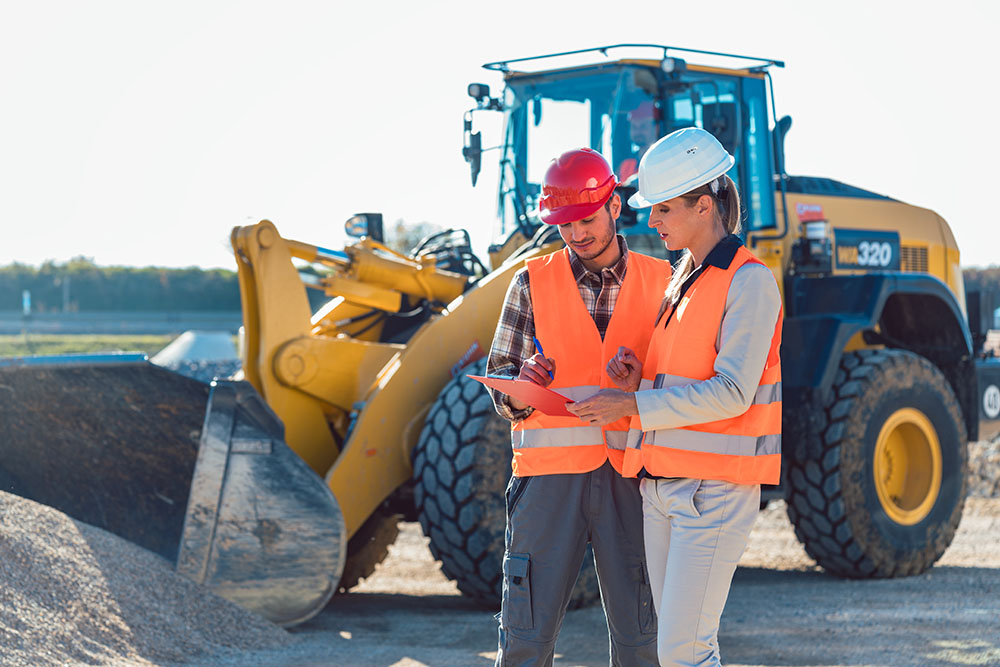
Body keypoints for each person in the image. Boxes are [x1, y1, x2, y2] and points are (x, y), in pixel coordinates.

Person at [567, 127, 782, 667]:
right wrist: (638, 378)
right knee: (679, 650)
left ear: (703, 205)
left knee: (685, 651)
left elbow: (733, 391)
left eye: (663, 209)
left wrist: (632, 406)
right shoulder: (684, 278)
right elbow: (684, 377)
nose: (651, 220)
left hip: (712, 492)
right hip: (663, 487)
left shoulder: (749, 282)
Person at [487, 147, 671, 666]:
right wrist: (519, 385)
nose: (577, 234)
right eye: (565, 224)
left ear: (614, 205)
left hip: (637, 476)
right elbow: (501, 379)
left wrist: (640, 385)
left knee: (643, 639)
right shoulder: (529, 281)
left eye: (587, 219)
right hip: (548, 481)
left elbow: (685, 384)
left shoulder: (666, 283)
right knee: (525, 638)